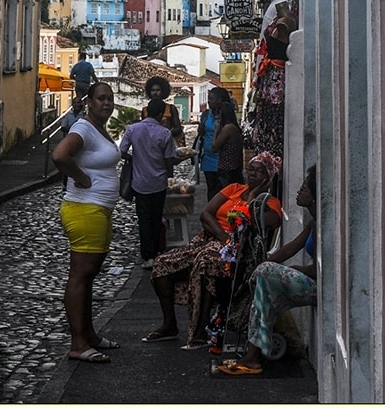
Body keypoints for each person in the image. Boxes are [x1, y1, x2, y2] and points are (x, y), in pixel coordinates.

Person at [142, 152, 282, 349]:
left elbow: (265, 222)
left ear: (268, 177)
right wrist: (223, 236)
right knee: (162, 264)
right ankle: (169, 324)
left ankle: (199, 332)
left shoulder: (268, 202)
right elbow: (206, 213)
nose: (252, 174)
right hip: (212, 239)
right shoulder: (233, 188)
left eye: (259, 172)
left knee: (205, 263)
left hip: (235, 252)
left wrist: (251, 198)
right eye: (250, 169)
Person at [218, 165, 317, 376]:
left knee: (264, 275)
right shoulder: (313, 223)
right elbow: (290, 247)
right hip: (305, 280)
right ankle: (253, 355)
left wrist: (295, 268)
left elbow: (325, 270)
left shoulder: (326, 225)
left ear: (315, 196)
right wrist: (264, 264)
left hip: (316, 286)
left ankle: (253, 355)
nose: (299, 191)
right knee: (264, 291)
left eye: (304, 189)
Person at [51, 82, 120, 364]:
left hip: (97, 209)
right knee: (80, 276)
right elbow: (59, 155)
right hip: (84, 209)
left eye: (110, 99)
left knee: (89, 276)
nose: (106, 103)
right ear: (88, 102)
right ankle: (78, 343)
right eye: (100, 98)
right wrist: (79, 177)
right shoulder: (82, 128)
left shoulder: (97, 129)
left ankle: (89, 334)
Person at [120, 99, 179, 269]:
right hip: (158, 182)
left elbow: (121, 151)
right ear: (161, 114)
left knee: (143, 218)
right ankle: (156, 250)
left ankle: (148, 255)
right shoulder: (165, 133)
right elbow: (169, 160)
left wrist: (133, 158)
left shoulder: (133, 129)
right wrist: (170, 175)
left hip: (140, 183)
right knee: (156, 217)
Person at [251, 7, 297, 161]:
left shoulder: (283, 25)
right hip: (273, 73)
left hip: (277, 74)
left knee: (274, 110)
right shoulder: (279, 24)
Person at [196, 86, 230, 200]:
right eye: (208, 98)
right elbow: (202, 133)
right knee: (211, 189)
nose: (209, 101)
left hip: (223, 159)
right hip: (208, 158)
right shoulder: (206, 114)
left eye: (211, 99)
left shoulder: (226, 116)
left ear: (220, 100)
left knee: (223, 191)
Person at [211, 100, 244, 191]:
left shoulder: (228, 129)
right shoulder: (234, 127)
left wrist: (216, 131)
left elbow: (214, 147)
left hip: (227, 170)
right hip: (234, 167)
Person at [141, 76, 185, 146]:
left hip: (167, 143)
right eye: (153, 90)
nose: (155, 93)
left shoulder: (171, 108)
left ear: (163, 91)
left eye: (158, 90)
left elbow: (178, 128)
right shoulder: (145, 110)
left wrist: (165, 134)